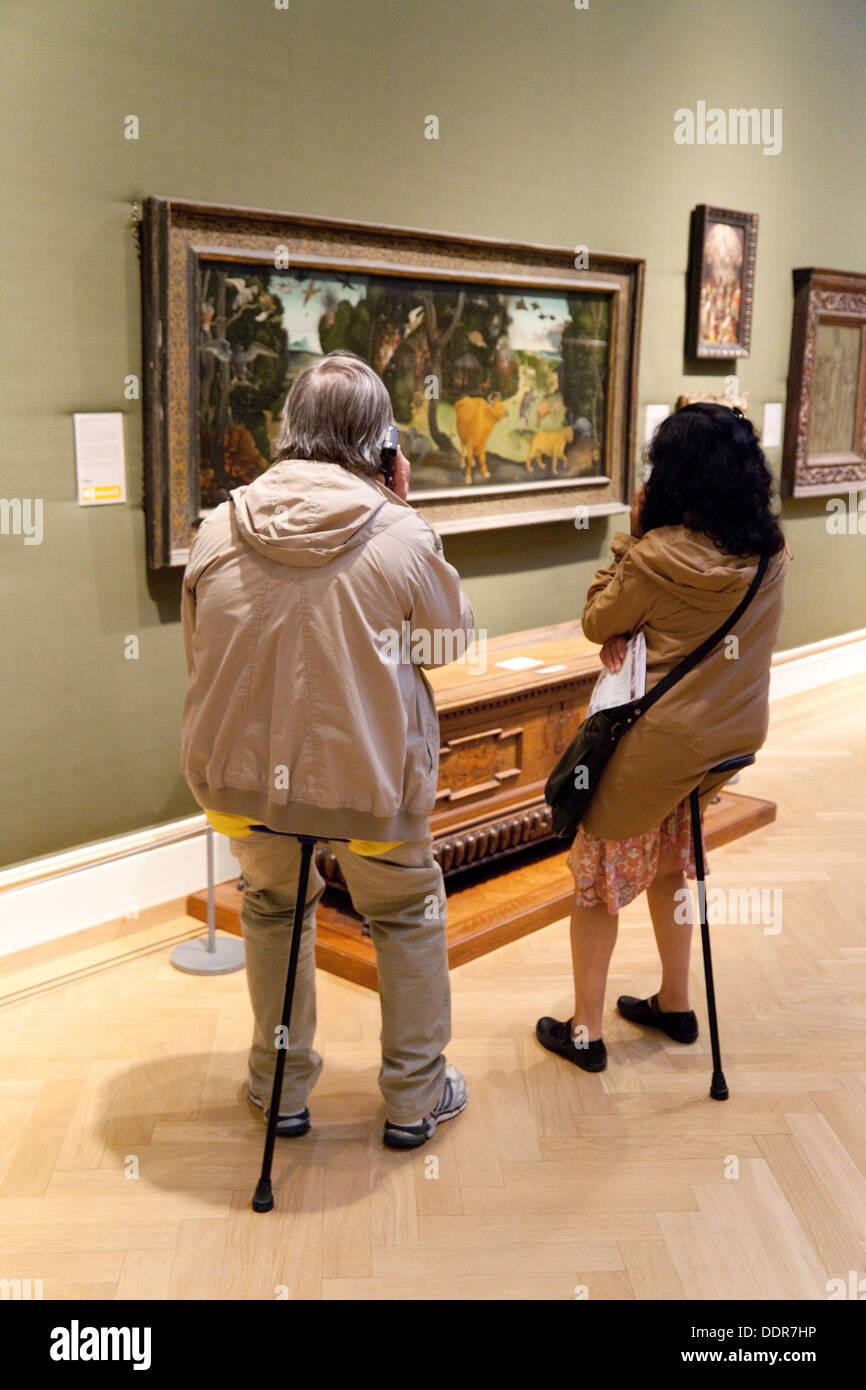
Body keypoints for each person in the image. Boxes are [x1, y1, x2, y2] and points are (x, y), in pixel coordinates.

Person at [181, 349, 476, 1148]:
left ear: (286, 431)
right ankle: (414, 1101)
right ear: (383, 447)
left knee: (275, 911)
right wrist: (408, 512)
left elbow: (197, 654)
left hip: (241, 790)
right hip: (370, 787)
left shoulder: (218, 525)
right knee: (406, 913)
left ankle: (278, 1090)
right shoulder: (399, 532)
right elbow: (450, 644)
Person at [537, 403, 791, 1070]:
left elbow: (597, 619)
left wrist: (633, 535)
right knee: (675, 860)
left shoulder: (654, 556)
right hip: (729, 743)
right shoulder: (772, 553)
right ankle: (676, 1002)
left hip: (657, 749)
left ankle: (585, 1032)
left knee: (596, 883)